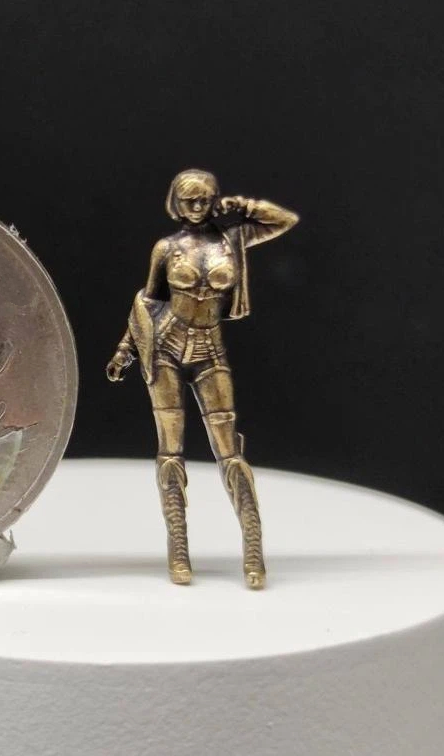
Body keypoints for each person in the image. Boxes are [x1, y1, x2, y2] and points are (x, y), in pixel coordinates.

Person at [106, 168, 299, 589]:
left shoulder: (233, 238)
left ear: (215, 199)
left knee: (230, 452)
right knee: (170, 452)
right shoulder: (166, 248)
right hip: (166, 348)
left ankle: (253, 551)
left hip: (211, 349)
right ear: (175, 203)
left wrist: (244, 206)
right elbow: (147, 304)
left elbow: (284, 220)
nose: (197, 207)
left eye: (205, 199)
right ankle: (178, 551)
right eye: (189, 200)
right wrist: (125, 349)